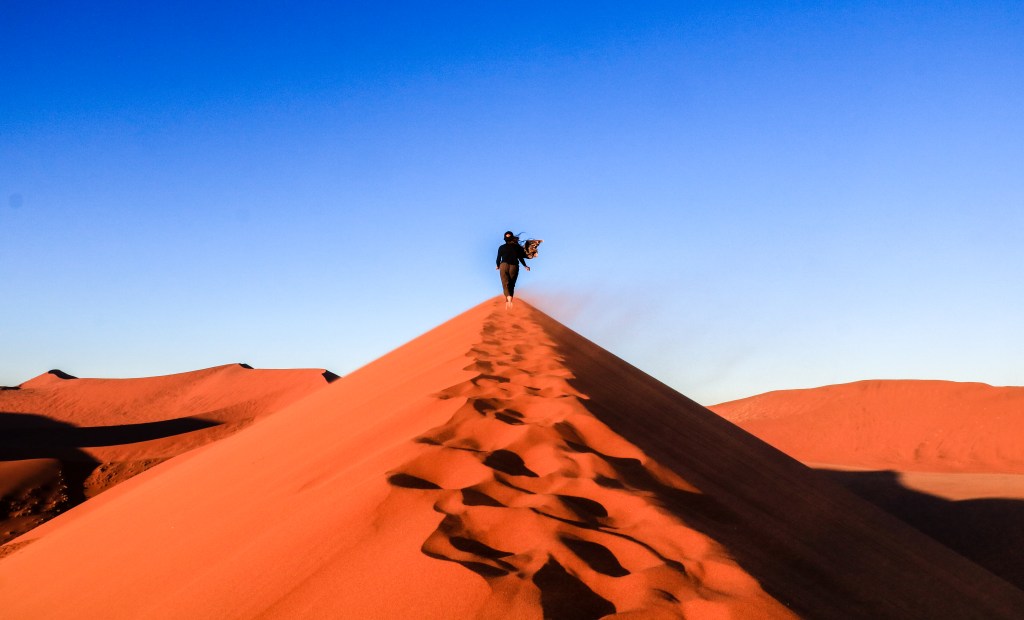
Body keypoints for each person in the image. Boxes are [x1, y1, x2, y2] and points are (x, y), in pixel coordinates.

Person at [496, 230, 530, 308]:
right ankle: (510, 300)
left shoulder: (501, 247)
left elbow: (498, 259)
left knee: (505, 283)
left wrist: (497, 265)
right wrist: (525, 266)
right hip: (514, 266)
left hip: (504, 265)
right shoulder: (517, 247)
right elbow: (520, 257)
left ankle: (508, 300)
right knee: (511, 284)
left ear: (504, 238)